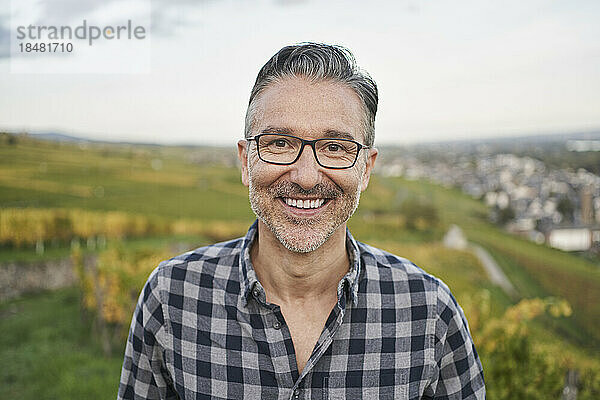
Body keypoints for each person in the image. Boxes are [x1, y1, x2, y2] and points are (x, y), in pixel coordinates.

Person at [118, 43, 485, 399]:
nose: (307, 176)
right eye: (280, 143)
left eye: (335, 147)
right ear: (246, 162)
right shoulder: (172, 297)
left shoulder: (430, 312)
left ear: (366, 170)